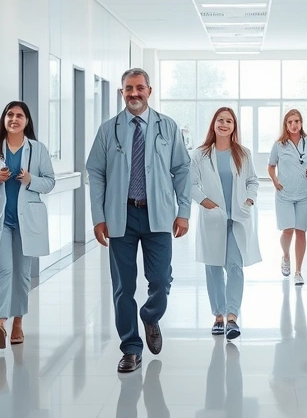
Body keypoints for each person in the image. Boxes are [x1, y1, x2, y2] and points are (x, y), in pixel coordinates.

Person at [85, 68, 192, 373]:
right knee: (123, 286)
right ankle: (131, 348)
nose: (134, 93)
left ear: (150, 90)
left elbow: (182, 170)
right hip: (121, 215)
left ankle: (150, 314)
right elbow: (96, 172)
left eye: (139, 88)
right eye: (128, 88)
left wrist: (183, 211)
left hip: (158, 213)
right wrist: (98, 217)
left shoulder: (167, 127)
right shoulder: (109, 130)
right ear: (122, 92)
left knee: (160, 279)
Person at [0, 101, 56, 349]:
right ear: (4, 119)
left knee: (21, 273)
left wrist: (30, 180)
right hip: (0, 222)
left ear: (27, 121)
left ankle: (18, 322)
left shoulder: (38, 150)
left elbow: (50, 182)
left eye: (19, 115)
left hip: (26, 221)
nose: (14, 119)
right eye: (10, 114)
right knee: (2, 270)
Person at [190, 107, 261, 340]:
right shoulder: (200, 154)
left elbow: (252, 180)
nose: (224, 124)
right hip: (213, 218)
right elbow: (191, 184)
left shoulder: (243, 153)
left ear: (234, 126)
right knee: (213, 267)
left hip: (237, 218)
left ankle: (232, 317)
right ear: (214, 124)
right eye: (220, 120)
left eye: (229, 121)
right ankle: (218, 316)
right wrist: (206, 203)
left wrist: (249, 199)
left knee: (235, 266)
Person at [268, 109, 307, 286]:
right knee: (287, 230)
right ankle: (286, 255)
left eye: (297, 121)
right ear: (286, 125)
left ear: (301, 123)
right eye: (290, 122)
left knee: (301, 231)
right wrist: (274, 181)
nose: (294, 125)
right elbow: (271, 166)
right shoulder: (279, 145)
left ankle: (298, 271)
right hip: (284, 194)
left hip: (304, 193)